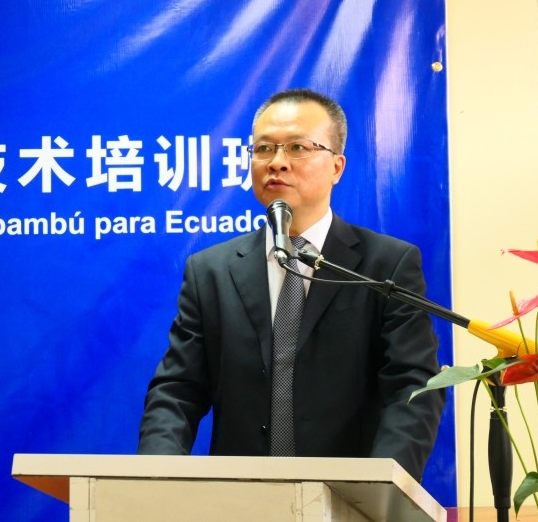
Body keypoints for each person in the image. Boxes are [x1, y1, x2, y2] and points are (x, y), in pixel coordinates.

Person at [137, 88, 444, 481]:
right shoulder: (210, 270)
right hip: (240, 499)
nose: (277, 162)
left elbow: (413, 388)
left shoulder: (385, 266)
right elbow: (178, 389)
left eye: (297, 147)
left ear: (337, 167)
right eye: (264, 149)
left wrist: (379, 487)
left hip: (348, 499)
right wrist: (156, 477)